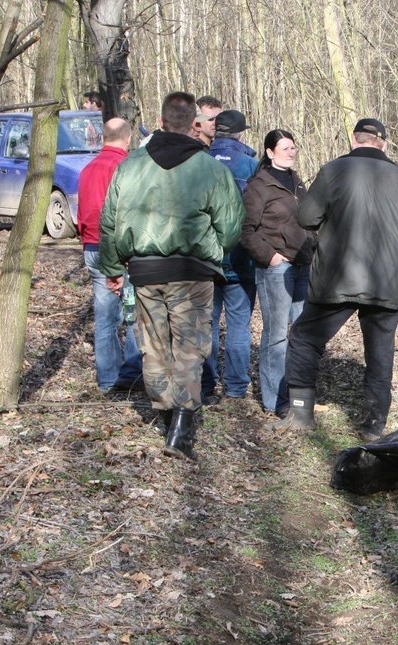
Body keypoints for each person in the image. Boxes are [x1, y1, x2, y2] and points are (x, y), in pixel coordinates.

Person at [99, 91, 245, 461]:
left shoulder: (130, 166)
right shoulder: (211, 169)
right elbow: (231, 226)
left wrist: (113, 268)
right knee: (189, 346)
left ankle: (168, 414)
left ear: (161, 122)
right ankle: (181, 425)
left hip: (145, 269)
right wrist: (214, 250)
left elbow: (110, 221)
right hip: (192, 271)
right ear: (194, 123)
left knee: (154, 344)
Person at [267, 118, 398, 441]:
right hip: (386, 281)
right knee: (380, 352)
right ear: (385, 144)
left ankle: (300, 412)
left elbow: (306, 216)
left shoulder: (333, 171)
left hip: (336, 278)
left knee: (306, 338)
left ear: (354, 139)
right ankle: (374, 425)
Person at [240, 129, 313, 413]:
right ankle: (275, 401)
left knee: (301, 334)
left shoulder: (297, 182)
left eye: (293, 147)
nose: (291, 152)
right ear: (270, 152)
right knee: (277, 336)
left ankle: (298, 398)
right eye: (285, 148)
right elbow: (246, 231)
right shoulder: (260, 185)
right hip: (276, 270)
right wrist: (270, 257)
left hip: (303, 265)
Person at [77, 117, 142, 394]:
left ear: (103, 138)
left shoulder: (87, 168)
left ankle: (107, 379)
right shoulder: (125, 168)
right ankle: (132, 374)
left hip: (92, 248)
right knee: (132, 314)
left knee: (104, 317)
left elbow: (83, 213)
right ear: (128, 140)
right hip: (119, 253)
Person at [201, 109, 259, 404]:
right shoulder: (250, 164)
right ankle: (236, 387)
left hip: (204, 259)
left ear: (215, 131)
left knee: (207, 323)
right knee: (238, 324)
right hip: (240, 258)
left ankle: (206, 384)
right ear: (240, 134)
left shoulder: (199, 162)